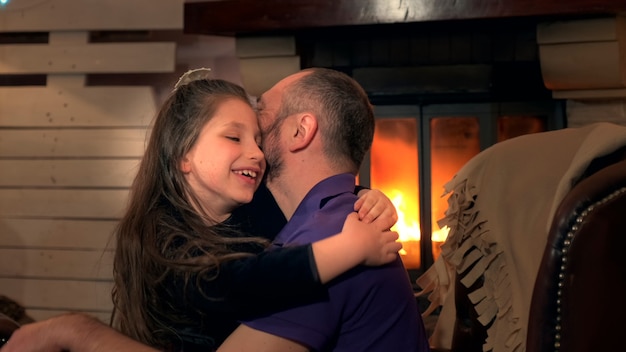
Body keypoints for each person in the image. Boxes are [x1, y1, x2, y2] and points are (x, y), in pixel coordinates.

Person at [1, 71, 400, 352]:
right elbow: (242, 282)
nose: (257, 152)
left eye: (259, 137)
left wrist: (364, 195)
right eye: (234, 136)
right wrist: (349, 247)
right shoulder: (165, 235)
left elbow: (312, 196)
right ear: (183, 155)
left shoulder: (251, 207)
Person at [218, 68, 430, 351]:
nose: (253, 125)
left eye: (262, 110)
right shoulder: (344, 215)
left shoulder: (332, 243)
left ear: (300, 131)